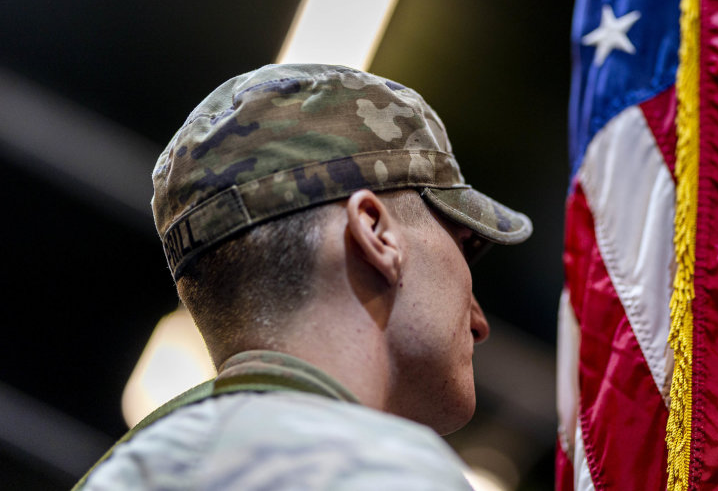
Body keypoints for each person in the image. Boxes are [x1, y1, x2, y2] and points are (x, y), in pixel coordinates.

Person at [75, 63, 533, 489]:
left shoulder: (119, 475)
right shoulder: (386, 473)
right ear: (375, 233)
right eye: (462, 246)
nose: (478, 319)